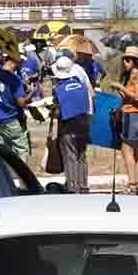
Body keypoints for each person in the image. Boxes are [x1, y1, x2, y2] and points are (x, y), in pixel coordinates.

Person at [51, 53, 94, 193]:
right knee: (81, 156)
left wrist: (51, 111)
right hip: (83, 125)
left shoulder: (58, 89)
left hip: (68, 128)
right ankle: (83, 185)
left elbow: (58, 112)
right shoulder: (81, 85)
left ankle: (72, 187)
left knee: (70, 157)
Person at [0, 53, 31, 164]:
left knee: (2, 150)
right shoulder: (14, 78)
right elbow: (21, 103)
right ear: (14, 61)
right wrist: (31, 93)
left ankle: (3, 177)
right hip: (12, 119)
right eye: (19, 62)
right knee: (22, 149)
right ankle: (23, 177)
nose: (20, 64)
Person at [118, 44, 138, 192]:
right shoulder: (130, 75)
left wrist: (121, 87)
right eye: (124, 59)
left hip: (134, 115)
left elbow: (137, 97)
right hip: (128, 113)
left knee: (126, 149)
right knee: (134, 150)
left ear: (135, 61)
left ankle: (132, 182)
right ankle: (137, 182)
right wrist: (120, 88)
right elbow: (128, 98)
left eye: (128, 60)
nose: (125, 62)